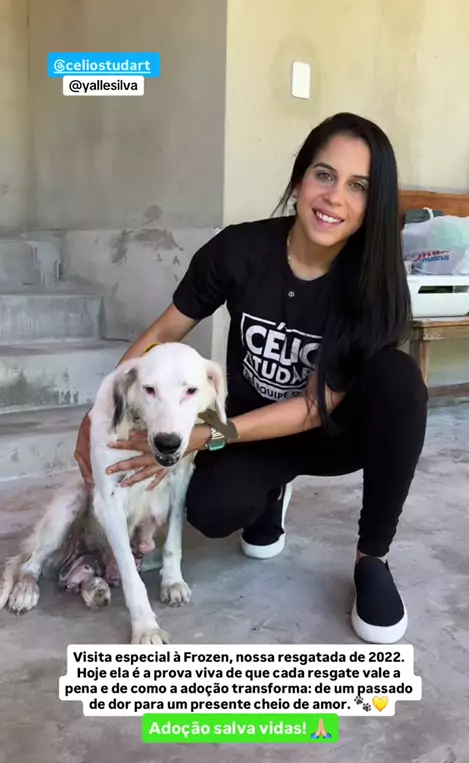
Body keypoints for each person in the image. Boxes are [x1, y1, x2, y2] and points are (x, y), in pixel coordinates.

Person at [74, 112, 428, 645]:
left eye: (358, 186)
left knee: (400, 380)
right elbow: (164, 332)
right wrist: (100, 412)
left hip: (335, 432)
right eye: (324, 175)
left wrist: (204, 435)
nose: (334, 197)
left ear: (372, 204)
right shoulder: (239, 250)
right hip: (253, 426)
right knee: (210, 510)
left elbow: (317, 404)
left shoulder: (375, 282)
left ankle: (372, 559)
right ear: (300, 179)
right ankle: (271, 492)